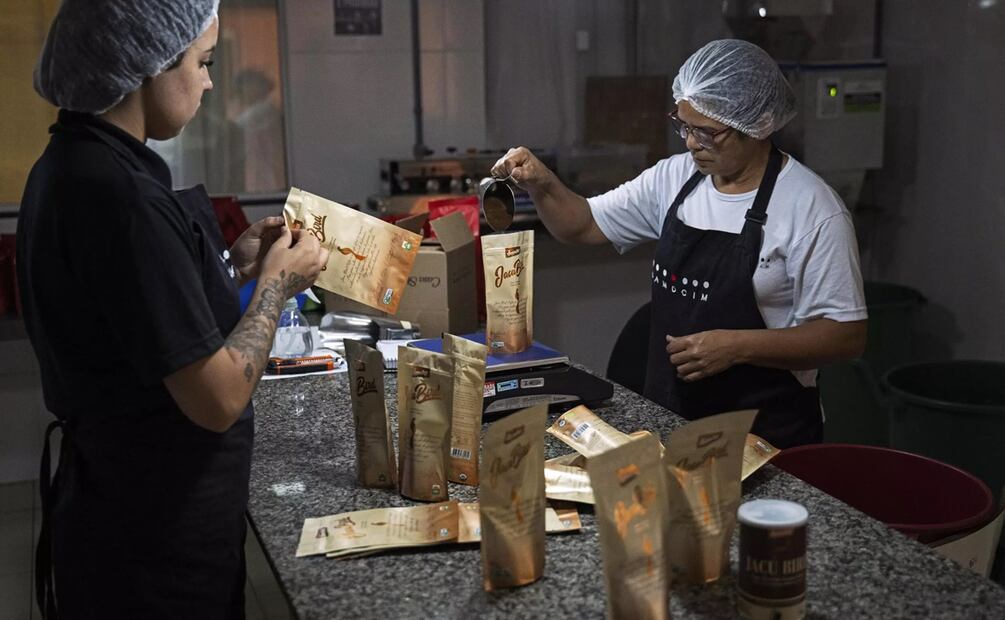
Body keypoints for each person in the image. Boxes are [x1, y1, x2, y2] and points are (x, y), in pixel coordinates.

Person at [18, 1, 329, 617]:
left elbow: (137, 314)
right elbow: (215, 399)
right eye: (204, 61)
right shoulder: (125, 199)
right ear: (148, 63)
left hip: (118, 516)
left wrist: (230, 265)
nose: (211, 81)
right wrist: (274, 285)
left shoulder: (72, 164)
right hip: (151, 551)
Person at [492, 39, 867, 449]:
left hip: (764, 441)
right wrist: (542, 183)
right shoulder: (674, 179)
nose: (690, 143)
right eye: (684, 126)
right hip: (670, 427)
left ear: (758, 123)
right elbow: (581, 226)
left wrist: (737, 347)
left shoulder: (811, 208)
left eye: (707, 132)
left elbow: (844, 335)